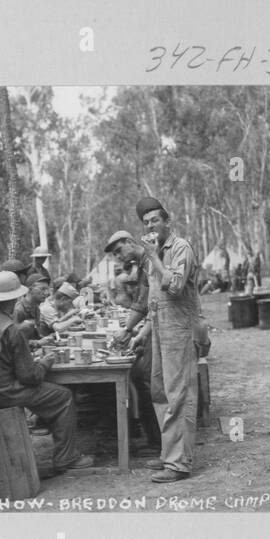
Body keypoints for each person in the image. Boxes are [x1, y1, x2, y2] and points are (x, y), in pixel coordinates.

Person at [0, 270, 92, 484]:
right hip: (4, 393)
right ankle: (66, 457)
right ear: (12, 300)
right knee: (63, 397)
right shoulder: (10, 328)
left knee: (46, 395)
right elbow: (30, 377)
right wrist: (45, 363)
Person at [134, 197, 203, 482]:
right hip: (160, 327)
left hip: (179, 327)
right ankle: (169, 454)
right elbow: (154, 300)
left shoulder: (179, 248)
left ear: (167, 222)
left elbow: (174, 287)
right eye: (146, 222)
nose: (151, 226)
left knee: (179, 394)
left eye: (155, 221)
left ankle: (179, 464)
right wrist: (143, 332)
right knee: (160, 391)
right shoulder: (156, 252)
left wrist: (152, 256)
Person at [103, 230, 160, 451]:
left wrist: (128, 330)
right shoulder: (142, 264)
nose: (120, 258)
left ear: (129, 242)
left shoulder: (150, 262)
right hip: (152, 328)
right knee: (141, 380)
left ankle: (159, 443)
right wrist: (136, 334)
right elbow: (145, 307)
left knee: (148, 384)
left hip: (167, 331)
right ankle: (155, 439)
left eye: (120, 251)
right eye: (116, 256)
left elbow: (145, 305)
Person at [14, 272, 53, 338]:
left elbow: (35, 335)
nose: (47, 293)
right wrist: (38, 343)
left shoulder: (36, 308)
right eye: (42, 289)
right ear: (30, 289)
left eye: (47, 289)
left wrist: (46, 338)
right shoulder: (19, 310)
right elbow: (13, 340)